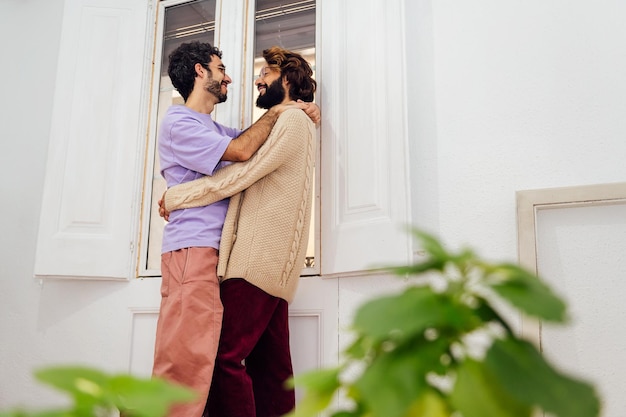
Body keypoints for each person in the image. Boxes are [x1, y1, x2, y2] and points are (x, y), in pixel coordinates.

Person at [152, 41, 319, 417]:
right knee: (187, 360)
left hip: (222, 252)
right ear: (199, 71)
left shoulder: (213, 127)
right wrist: (176, 197)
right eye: (221, 67)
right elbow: (243, 157)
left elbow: (254, 143)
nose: (229, 76)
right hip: (192, 248)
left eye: (266, 74)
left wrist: (303, 109)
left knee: (217, 358)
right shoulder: (179, 121)